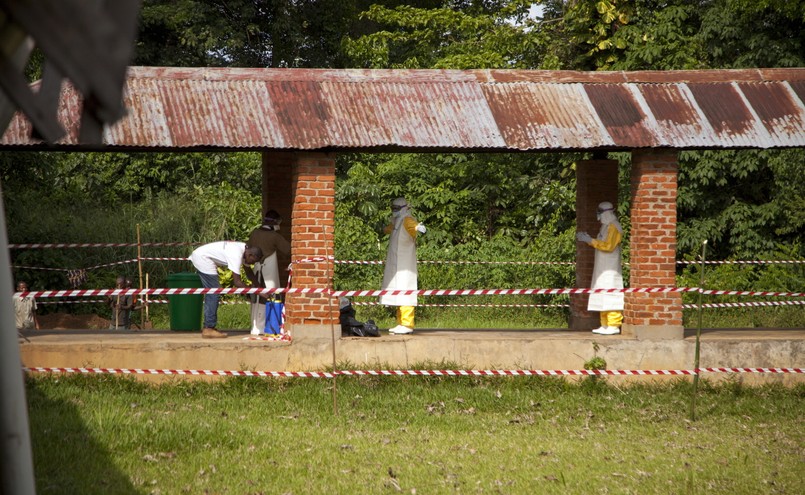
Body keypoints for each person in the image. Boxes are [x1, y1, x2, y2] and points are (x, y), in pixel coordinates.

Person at [189, 241, 263, 339]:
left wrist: (260, 288)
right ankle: (208, 328)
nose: (253, 263)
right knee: (214, 292)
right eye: (254, 260)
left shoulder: (245, 250)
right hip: (202, 258)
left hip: (203, 256)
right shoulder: (236, 254)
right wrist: (257, 292)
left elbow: (248, 272)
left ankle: (209, 327)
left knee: (213, 292)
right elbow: (237, 282)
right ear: (250, 255)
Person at [576, 201, 624, 335]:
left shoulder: (614, 227)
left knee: (611, 294)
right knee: (602, 294)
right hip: (602, 266)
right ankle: (605, 324)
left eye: (600, 213)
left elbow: (608, 246)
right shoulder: (605, 226)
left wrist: (590, 241)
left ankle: (614, 324)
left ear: (606, 213)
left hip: (610, 268)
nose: (598, 216)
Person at [380, 197, 426, 335]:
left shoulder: (407, 220)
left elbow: (414, 226)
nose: (394, 211)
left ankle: (407, 323)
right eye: (392, 208)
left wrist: (419, 228)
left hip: (405, 265)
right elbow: (388, 229)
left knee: (406, 291)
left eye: (396, 208)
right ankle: (400, 322)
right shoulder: (396, 222)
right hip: (395, 264)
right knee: (397, 292)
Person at [244, 209, 291, 335]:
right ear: (275, 222)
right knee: (270, 296)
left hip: (256, 270)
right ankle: (264, 326)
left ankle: (255, 327)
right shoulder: (274, 236)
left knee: (256, 296)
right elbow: (288, 250)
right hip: (268, 271)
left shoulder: (254, 233)